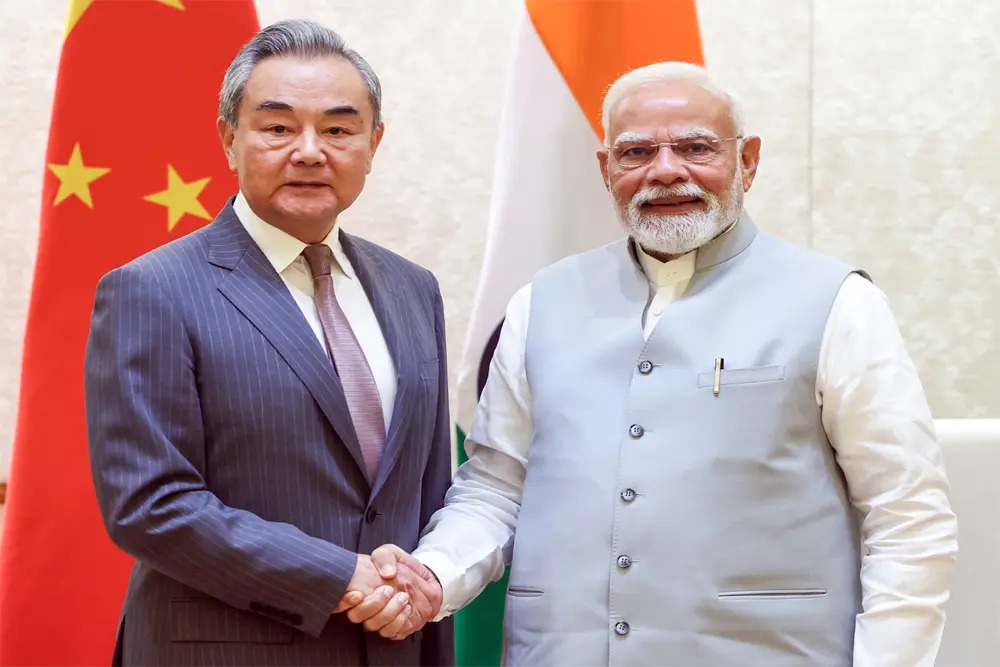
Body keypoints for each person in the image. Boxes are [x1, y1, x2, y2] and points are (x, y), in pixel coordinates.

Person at [354, 62, 960, 666]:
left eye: (696, 148)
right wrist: (435, 573)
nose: (666, 171)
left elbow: (907, 515)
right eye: (637, 152)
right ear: (606, 170)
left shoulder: (838, 302)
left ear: (748, 160)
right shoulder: (541, 303)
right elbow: (496, 488)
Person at [84, 19, 452, 666]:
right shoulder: (152, 289)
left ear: (373, 143)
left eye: (338, 130)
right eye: (278, 127)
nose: (309, 151)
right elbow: (150, 504)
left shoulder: (413, 288)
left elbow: (426, 491)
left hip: (394, 646)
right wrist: (339, 575)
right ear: (230, 139)